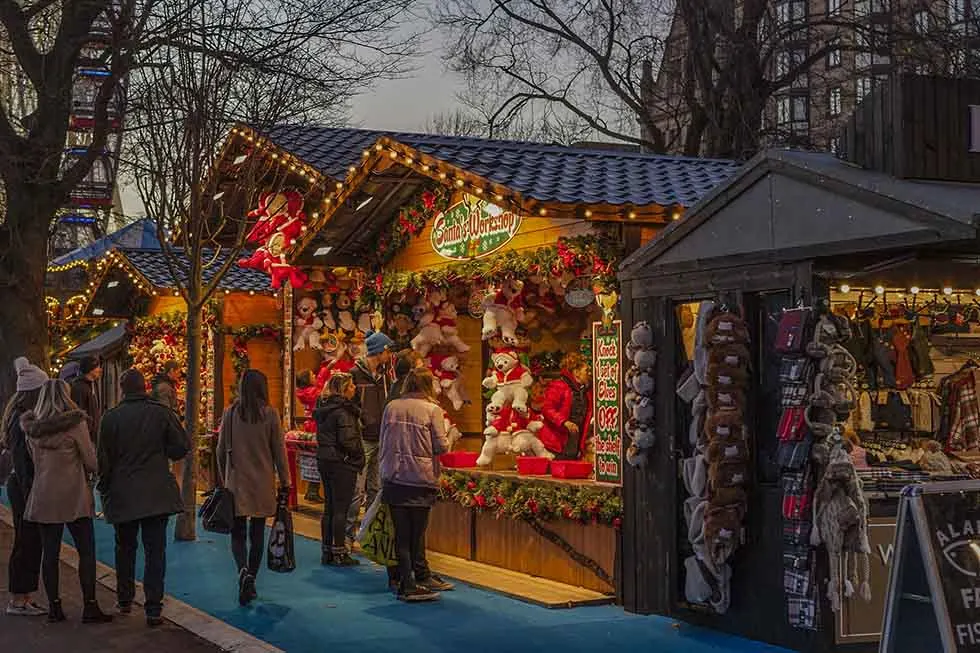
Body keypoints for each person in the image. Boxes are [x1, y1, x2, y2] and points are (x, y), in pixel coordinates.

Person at [98, 369, 190, 626]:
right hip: (156, 491)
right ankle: (153, 607)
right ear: (145, 387)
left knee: (124, 548)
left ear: (122, 388)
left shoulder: (111, 418)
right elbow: (182, 445)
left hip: (123, 491)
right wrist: (163, 453)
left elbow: (103, 459)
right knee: (155, 551)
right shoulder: (161, 414)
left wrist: (104, 488)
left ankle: (125, 599)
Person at [21, 379, 111, 624]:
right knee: (86, 551)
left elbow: (33, 459)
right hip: (74, 497)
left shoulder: (32, 429)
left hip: (43, 495)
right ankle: (90, 606)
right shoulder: (75, 424)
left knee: (49, 554)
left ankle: (55, 607)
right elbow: (91, 461)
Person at [215, 369, 289, 606]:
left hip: (236, 482)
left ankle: (242, 570)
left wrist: (224, 474)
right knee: (257, 533)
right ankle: (252, 578)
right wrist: (285, 481)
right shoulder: (270, 415)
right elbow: (279, 451)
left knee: (237, 533)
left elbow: (220, 449)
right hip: (262, 482)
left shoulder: (231, 413)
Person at [380, 369, 454, 602]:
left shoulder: (391, 407)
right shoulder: (433, 410)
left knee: (401, 535)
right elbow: (441, 447)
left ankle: (405, 582)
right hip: (420, 478)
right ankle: (414, 582)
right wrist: (452, 436)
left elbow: (383, 439)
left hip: (394, 475)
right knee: (417, 533)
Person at [3, 357, 48, 616]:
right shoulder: (22, 421)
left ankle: (22, 596)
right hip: (24, 487)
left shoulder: (16, 417)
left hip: (20, 486)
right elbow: (23, 462)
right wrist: (33, 490)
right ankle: (19, 598)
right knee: (27, 540)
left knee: (27, 539)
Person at [347, 330, 395, 542]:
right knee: (357, 488)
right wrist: (362, 422)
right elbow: (350, 405)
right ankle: (347, 535)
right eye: (387, 350)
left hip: (381, 437)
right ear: (380, 351)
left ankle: (368, 535)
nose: (390, 354)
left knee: (376, 488)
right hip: (363, 438)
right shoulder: (354, 375)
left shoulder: (385, 375)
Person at [313, 372, 364, 566]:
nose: (354, 389)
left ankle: (327, 550)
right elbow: (348, 440)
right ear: (343, 389)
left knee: (330, 508)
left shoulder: (324, 407)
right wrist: (358, 457)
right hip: (342, 462)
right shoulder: (344, 411)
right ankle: (340, 551)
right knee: (341, 508)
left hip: (325, 459)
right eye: (351, 386)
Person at [538, 351, 594, 460]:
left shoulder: (586, 390)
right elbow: (547, 408)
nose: (589, 373)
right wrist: (564, 422)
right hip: (556, 442)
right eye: (586, 370)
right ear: (576, 372)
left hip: (574, 441)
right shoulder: (558, 386)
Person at [70, 356, 102, 445]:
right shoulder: (79, 388)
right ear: (90, 369)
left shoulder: (90, 385)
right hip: (86, 437)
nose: (100, 370)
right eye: (97, 367)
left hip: (92, 436)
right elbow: (79, 412)